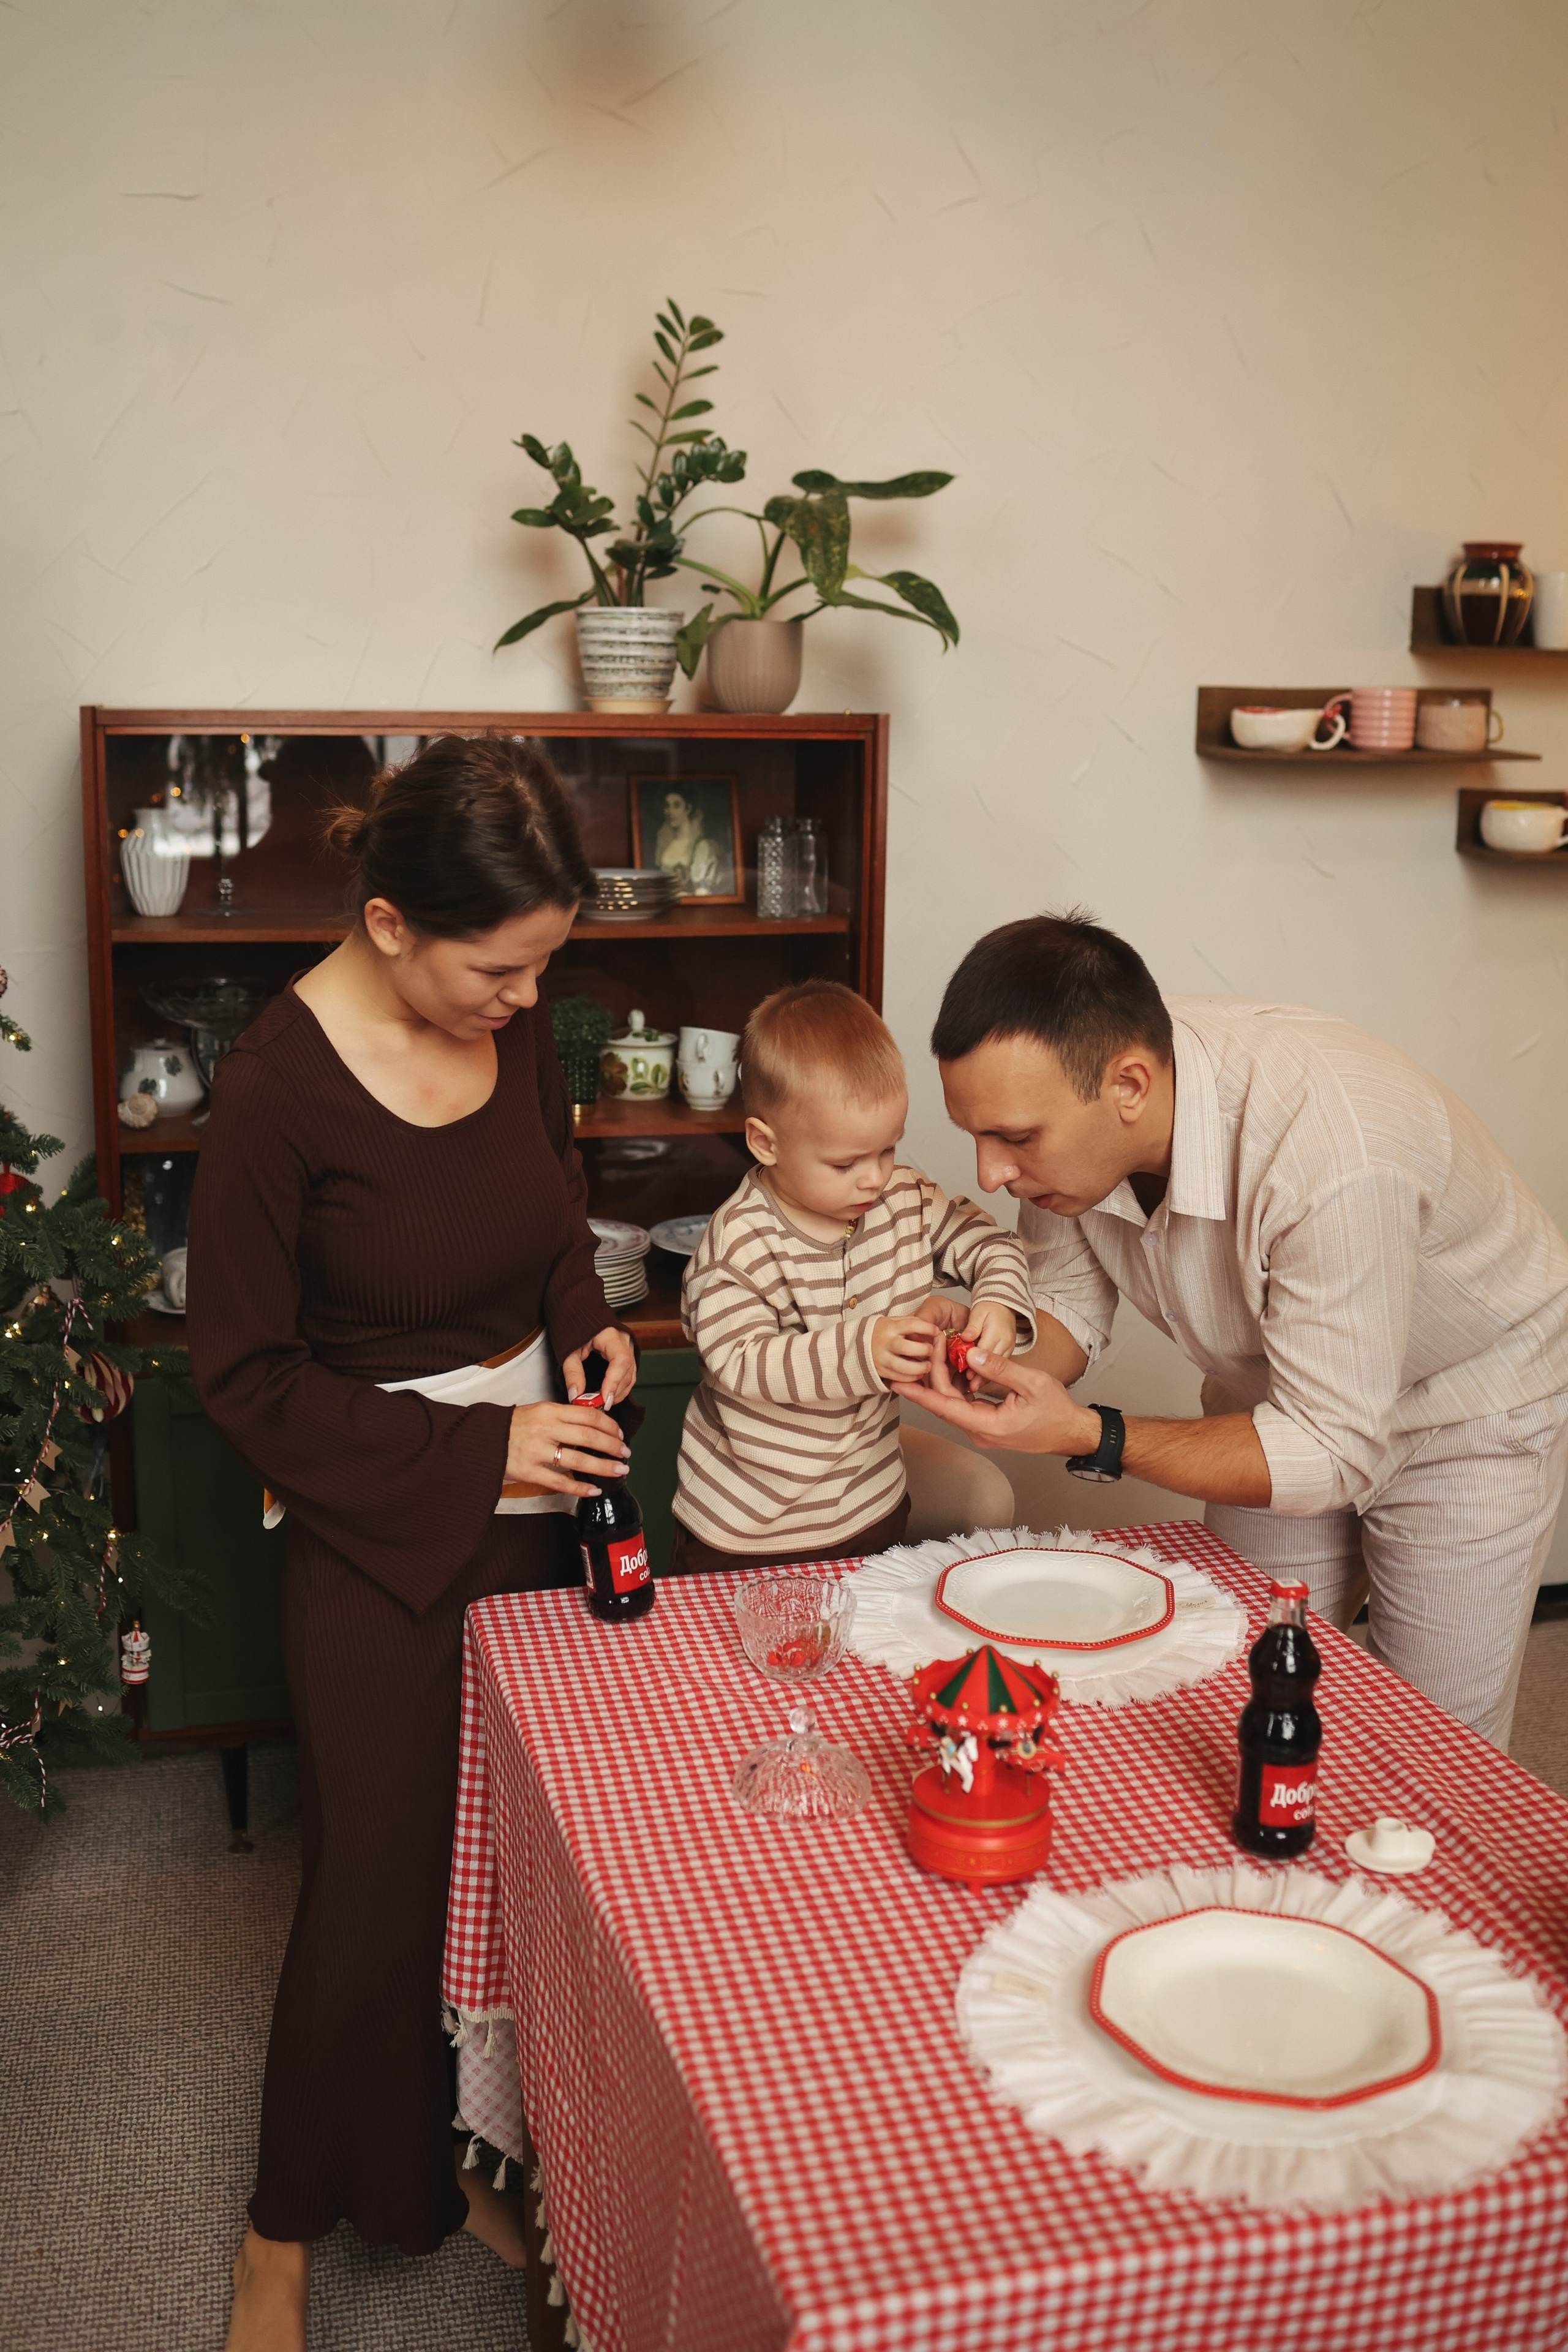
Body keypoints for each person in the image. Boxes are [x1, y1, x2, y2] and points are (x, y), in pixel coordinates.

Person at [186, 736, 638, 2352]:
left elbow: (552, 1213)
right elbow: (244, 1379)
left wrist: (585, 1324)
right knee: (374, 1890)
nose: (527, 1001)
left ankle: (445, 2157)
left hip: (543, 1494)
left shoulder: (508, 1029)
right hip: (383, 1523)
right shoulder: (275, 1092)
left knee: (521, 1866)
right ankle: (281, 2231)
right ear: (387, 924)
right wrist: (477, 1449)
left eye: (544, 967)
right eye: (497, 971)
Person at [907, 912, 1568, 1748]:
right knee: (1242, 1696)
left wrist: (1086, 1434)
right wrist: (993, 1349)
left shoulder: (1331, 1153)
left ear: (1130, 1087)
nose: (989, 1172)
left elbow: (1329, 1449)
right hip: (1277, 1405)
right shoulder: (1078, 1112)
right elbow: (1067, 1306)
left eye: (1015, 1139)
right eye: (977, 1136)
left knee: (1431, 1747)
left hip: (1469, 1404)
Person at [669, 979, 1033, 1572]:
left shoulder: (906, 1200)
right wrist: (862, 1350)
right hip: (746, 1530)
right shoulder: (738, 1242)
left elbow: (990, 1243)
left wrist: (998, 1302)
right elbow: (738, 1360)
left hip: (872, 1509)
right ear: (766, 1143)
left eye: (888, 1149)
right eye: (845, 1163)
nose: (875, 1178)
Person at [653, 786, 731, 897]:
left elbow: (704, 893)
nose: (670, 812)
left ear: (688, 809)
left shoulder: (703, 846)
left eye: (677, 806)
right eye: (667, 806)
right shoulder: (666, 845)